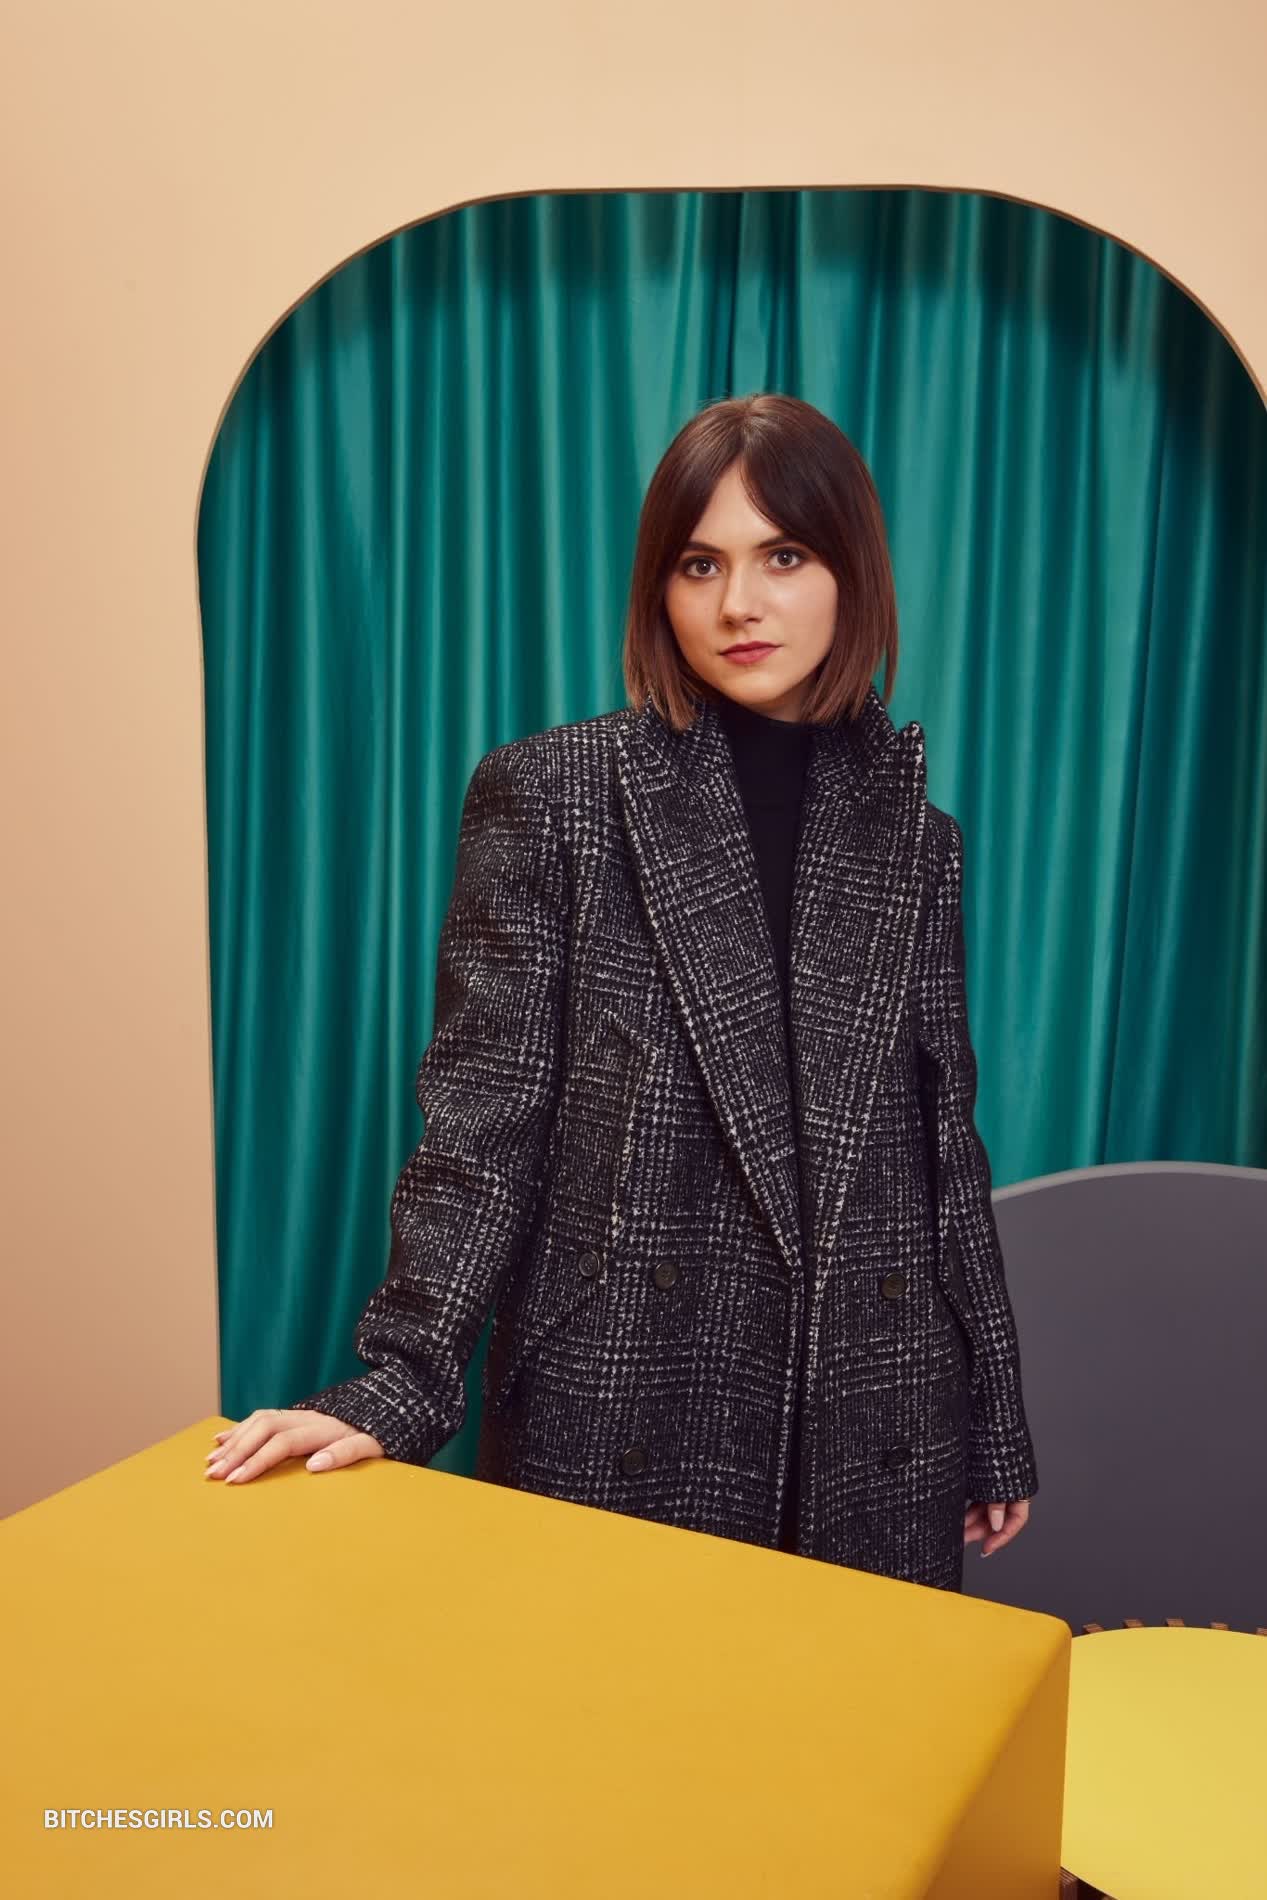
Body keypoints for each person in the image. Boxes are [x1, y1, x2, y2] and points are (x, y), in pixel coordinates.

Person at [204, 392, 1036, 1592]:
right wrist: (403, 1378)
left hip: (879, 1408)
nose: (739, 603)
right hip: (631, 1384)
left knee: (856, 1714)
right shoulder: (554, 795)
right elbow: (484, 1123)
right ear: (659, 589)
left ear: (850, 573)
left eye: (783, 557)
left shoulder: (915, 835)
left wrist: (993, 1410)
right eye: (700, 564)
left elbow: (940, 1141)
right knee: (614, 1700)